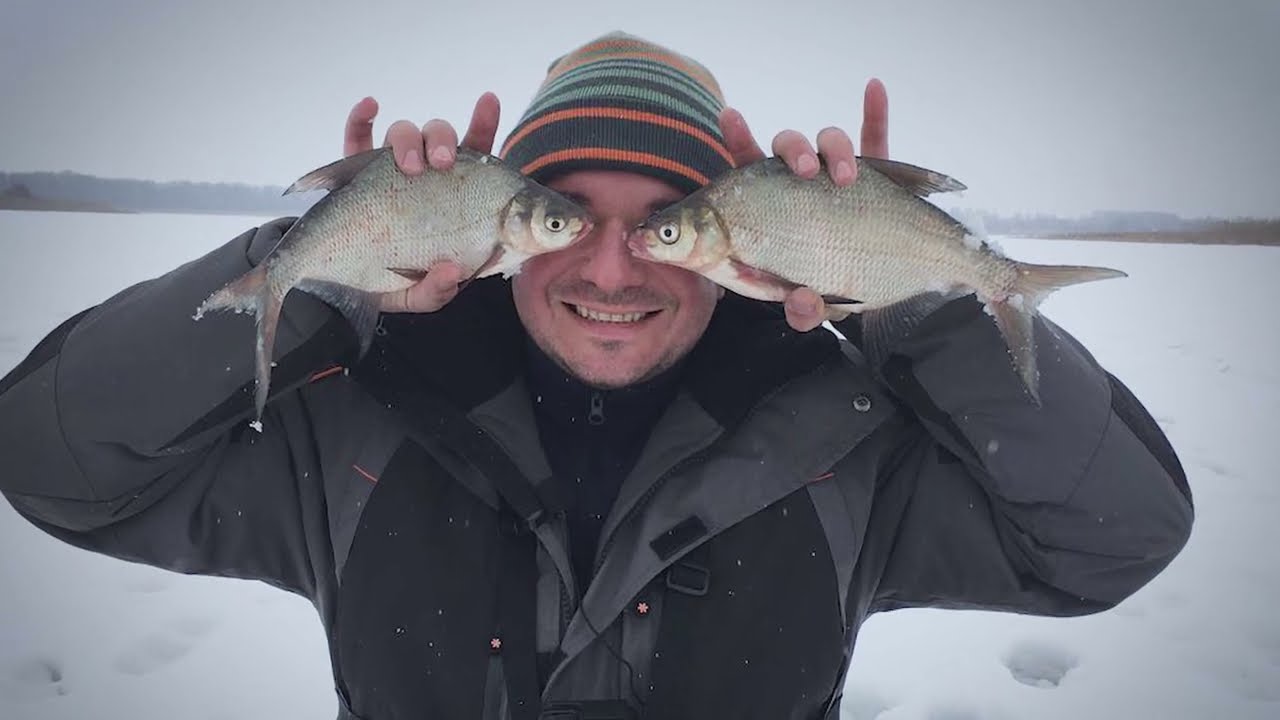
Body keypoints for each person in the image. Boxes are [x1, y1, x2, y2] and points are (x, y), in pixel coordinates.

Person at [0, 32, 1193, 720]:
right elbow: (56, 464)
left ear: (730, 230)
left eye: (661, 221)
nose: (613, 267)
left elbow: (1110, 537)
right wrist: (334, 269)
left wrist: (893, 282)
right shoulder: (352, 430)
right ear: (498, 227)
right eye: (567, 216)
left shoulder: (844, 444)